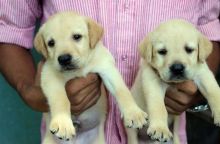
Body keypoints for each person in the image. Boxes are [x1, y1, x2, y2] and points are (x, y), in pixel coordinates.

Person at [0, 1, 219, 144]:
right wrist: (30, 91)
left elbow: (209, 28)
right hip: (71, 135)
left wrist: (196, 88)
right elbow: (8, 28)